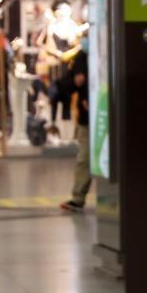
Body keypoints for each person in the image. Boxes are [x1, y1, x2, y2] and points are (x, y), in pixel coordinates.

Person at [59, 49, 92, 212]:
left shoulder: (111, 50)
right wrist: (76, 81)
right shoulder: (81, 56)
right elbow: (65, 84)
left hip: (108, 116)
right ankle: (78, 198)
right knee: (84, 159)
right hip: (87, 119)